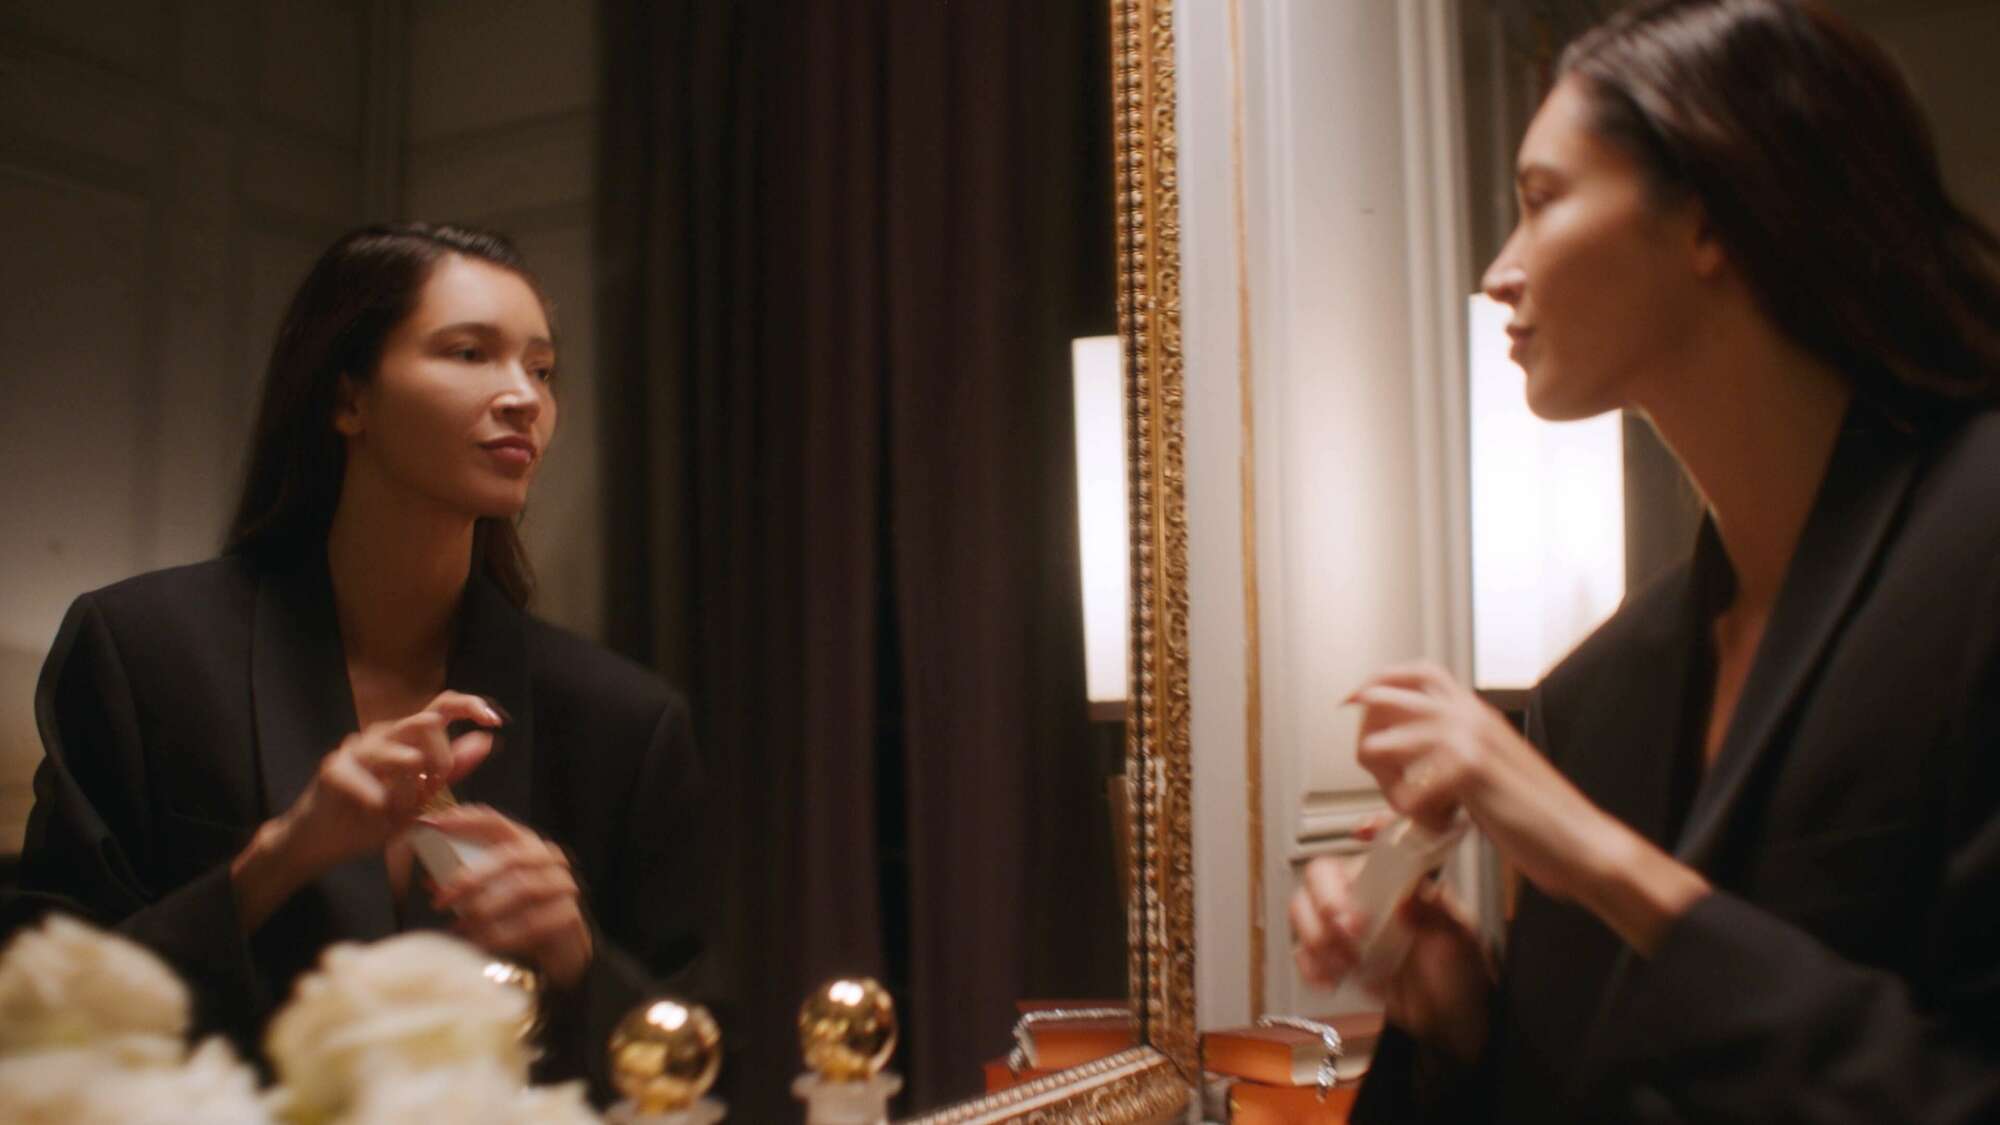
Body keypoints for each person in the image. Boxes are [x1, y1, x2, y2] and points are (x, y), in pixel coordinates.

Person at [1290, 1, 2000, 1120]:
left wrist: (1597, 859)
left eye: (1541, 200)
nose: (1498, 271)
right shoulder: (1597, 693)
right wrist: (1464, 1029)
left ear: (1710, 217)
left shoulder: (1976, 552)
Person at [4, 223, 714, 1102]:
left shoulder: (623, 719)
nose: (522, 397)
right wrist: (276, 861)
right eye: (469, 353)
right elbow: (35, 1016)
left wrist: (575, 956)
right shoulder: (142, 650)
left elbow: (696, 1056)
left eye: (541, 368)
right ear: (348, 398)